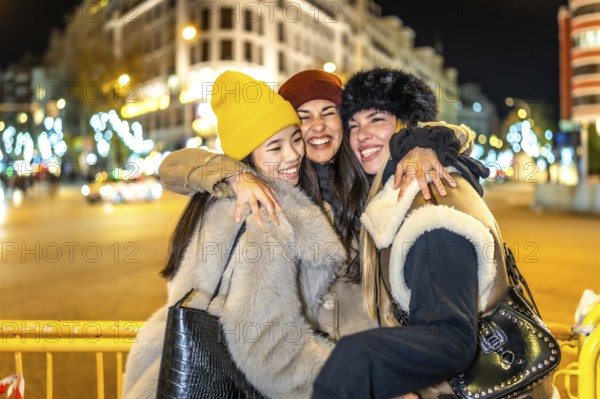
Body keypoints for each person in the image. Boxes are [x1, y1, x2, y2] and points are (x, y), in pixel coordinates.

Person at [158, 70, 474, 339]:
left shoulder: (370, 173)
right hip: (305, 365)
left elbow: (455, 133)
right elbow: (174, 166)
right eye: (304, 118)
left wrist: (423, 145)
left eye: (329, 113)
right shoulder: (278, 184)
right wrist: (235, 175)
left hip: (368, 356)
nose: (318, 126)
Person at [311, 68, 555, 399]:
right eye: (353, 125)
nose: (361, 135)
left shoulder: (430, 200)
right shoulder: (399, 193)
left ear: (408, 128)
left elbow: (449, 340)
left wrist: (355, 361)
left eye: (376, 120)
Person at [122, 70, 348, 399]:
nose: (292, 155)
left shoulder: (223, 197)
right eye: (274, 147)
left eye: (294, 139)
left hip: (168, 376)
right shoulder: (261, 213)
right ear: (248, 157)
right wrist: (357, 379)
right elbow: (270, 351)